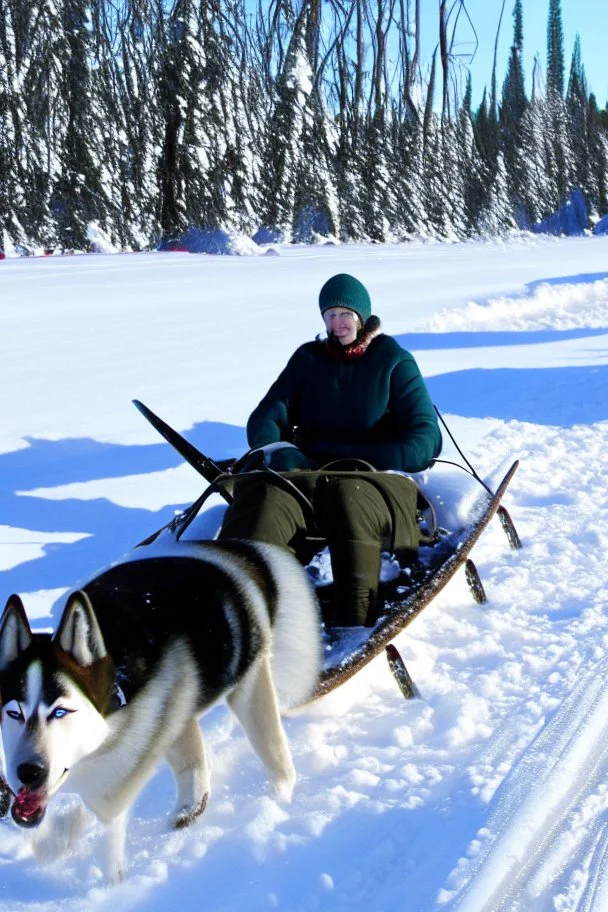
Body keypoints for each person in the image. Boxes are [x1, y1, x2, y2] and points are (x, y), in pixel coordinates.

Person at [218, 273, 442, 626]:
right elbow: (266, 416)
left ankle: (356, 619)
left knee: (348, 498)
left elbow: (427, 440)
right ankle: (242, 616)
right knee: (265, 499)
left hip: (375, 479)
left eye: (345, 315)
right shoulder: (308, 360)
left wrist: (366, 457)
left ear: (362, 316)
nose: (337, 324)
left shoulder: (394, 361)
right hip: (311, 475)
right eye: (330, 315)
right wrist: (279, 450)